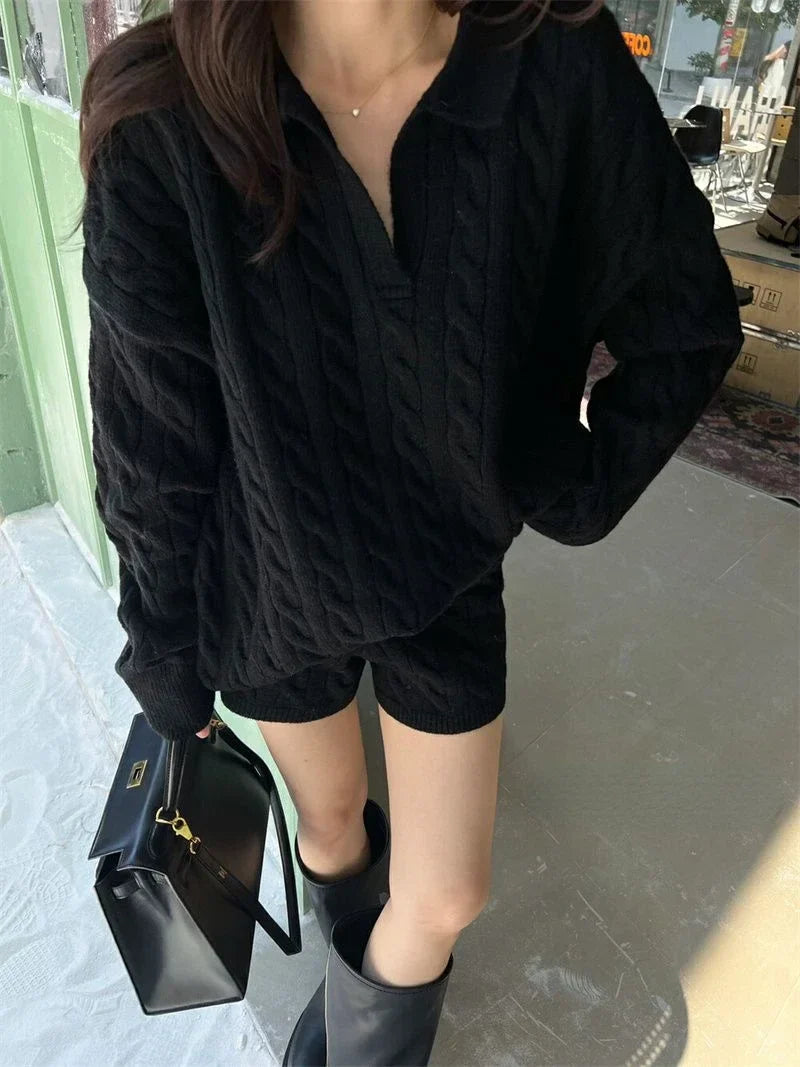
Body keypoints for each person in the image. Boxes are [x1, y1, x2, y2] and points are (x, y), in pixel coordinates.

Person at [78, 1, 743, 1064]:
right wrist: (164, 653)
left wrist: (563, 481)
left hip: (445, 571)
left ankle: (350, 1031)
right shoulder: (164, 114)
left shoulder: (554, 58)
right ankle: (354, 989)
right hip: (267, 576)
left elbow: (685, 313)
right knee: (332, 824)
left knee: (442, 893)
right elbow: (150, 437)